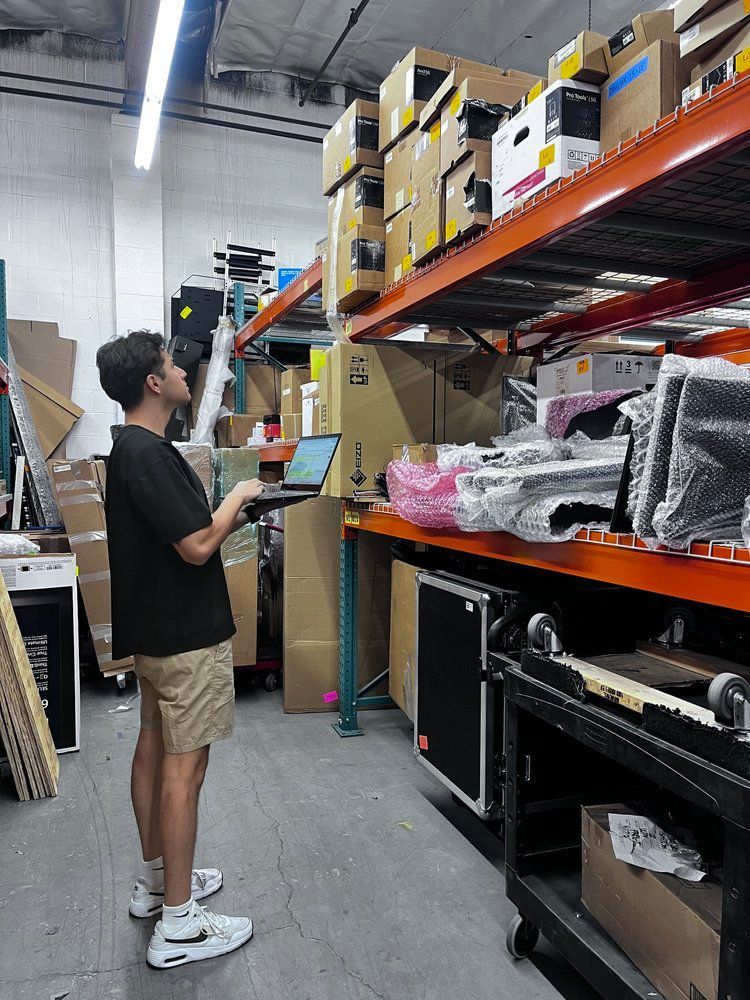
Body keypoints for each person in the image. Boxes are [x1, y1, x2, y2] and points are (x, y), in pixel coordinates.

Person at [97, 330, 263, 969]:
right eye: (172, 364)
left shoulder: (128, 450)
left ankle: (155, 883)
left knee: (152, 749)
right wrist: (235, 499)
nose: (184, 371)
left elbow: (179, 536)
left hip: (153, 636)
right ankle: (180, 924)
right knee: (184, 770)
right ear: (152, 383)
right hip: (187, 639)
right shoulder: (150, 453)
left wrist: (231, 518)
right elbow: (195, 546)